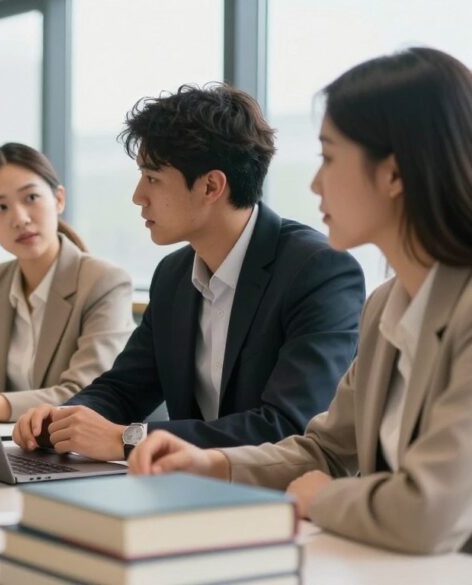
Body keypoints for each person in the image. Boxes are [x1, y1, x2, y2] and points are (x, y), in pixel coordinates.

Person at [128, 47, 472, 555]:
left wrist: (325, 499)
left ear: (395, 175)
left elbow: (427, 513)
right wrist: (212, 464)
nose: (314, 183)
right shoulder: (386, 307)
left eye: (329, 158)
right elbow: (326, 450)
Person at [13, 84, 366, 459]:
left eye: (152, 178)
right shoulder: (173, 275)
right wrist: (62, 419)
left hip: (277, 502)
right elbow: (124, 388)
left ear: (211, 186)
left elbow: (287, 426)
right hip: (187, 491)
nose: (137, 196)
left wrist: (129, 439)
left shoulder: (319, 272)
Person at [0, 143, 135, 422]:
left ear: (58, 199)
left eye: (31, 197)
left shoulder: (104, 282)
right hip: (5, 446)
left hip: (73, 451)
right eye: (0, 207)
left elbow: (85, 392)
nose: (19, 218)